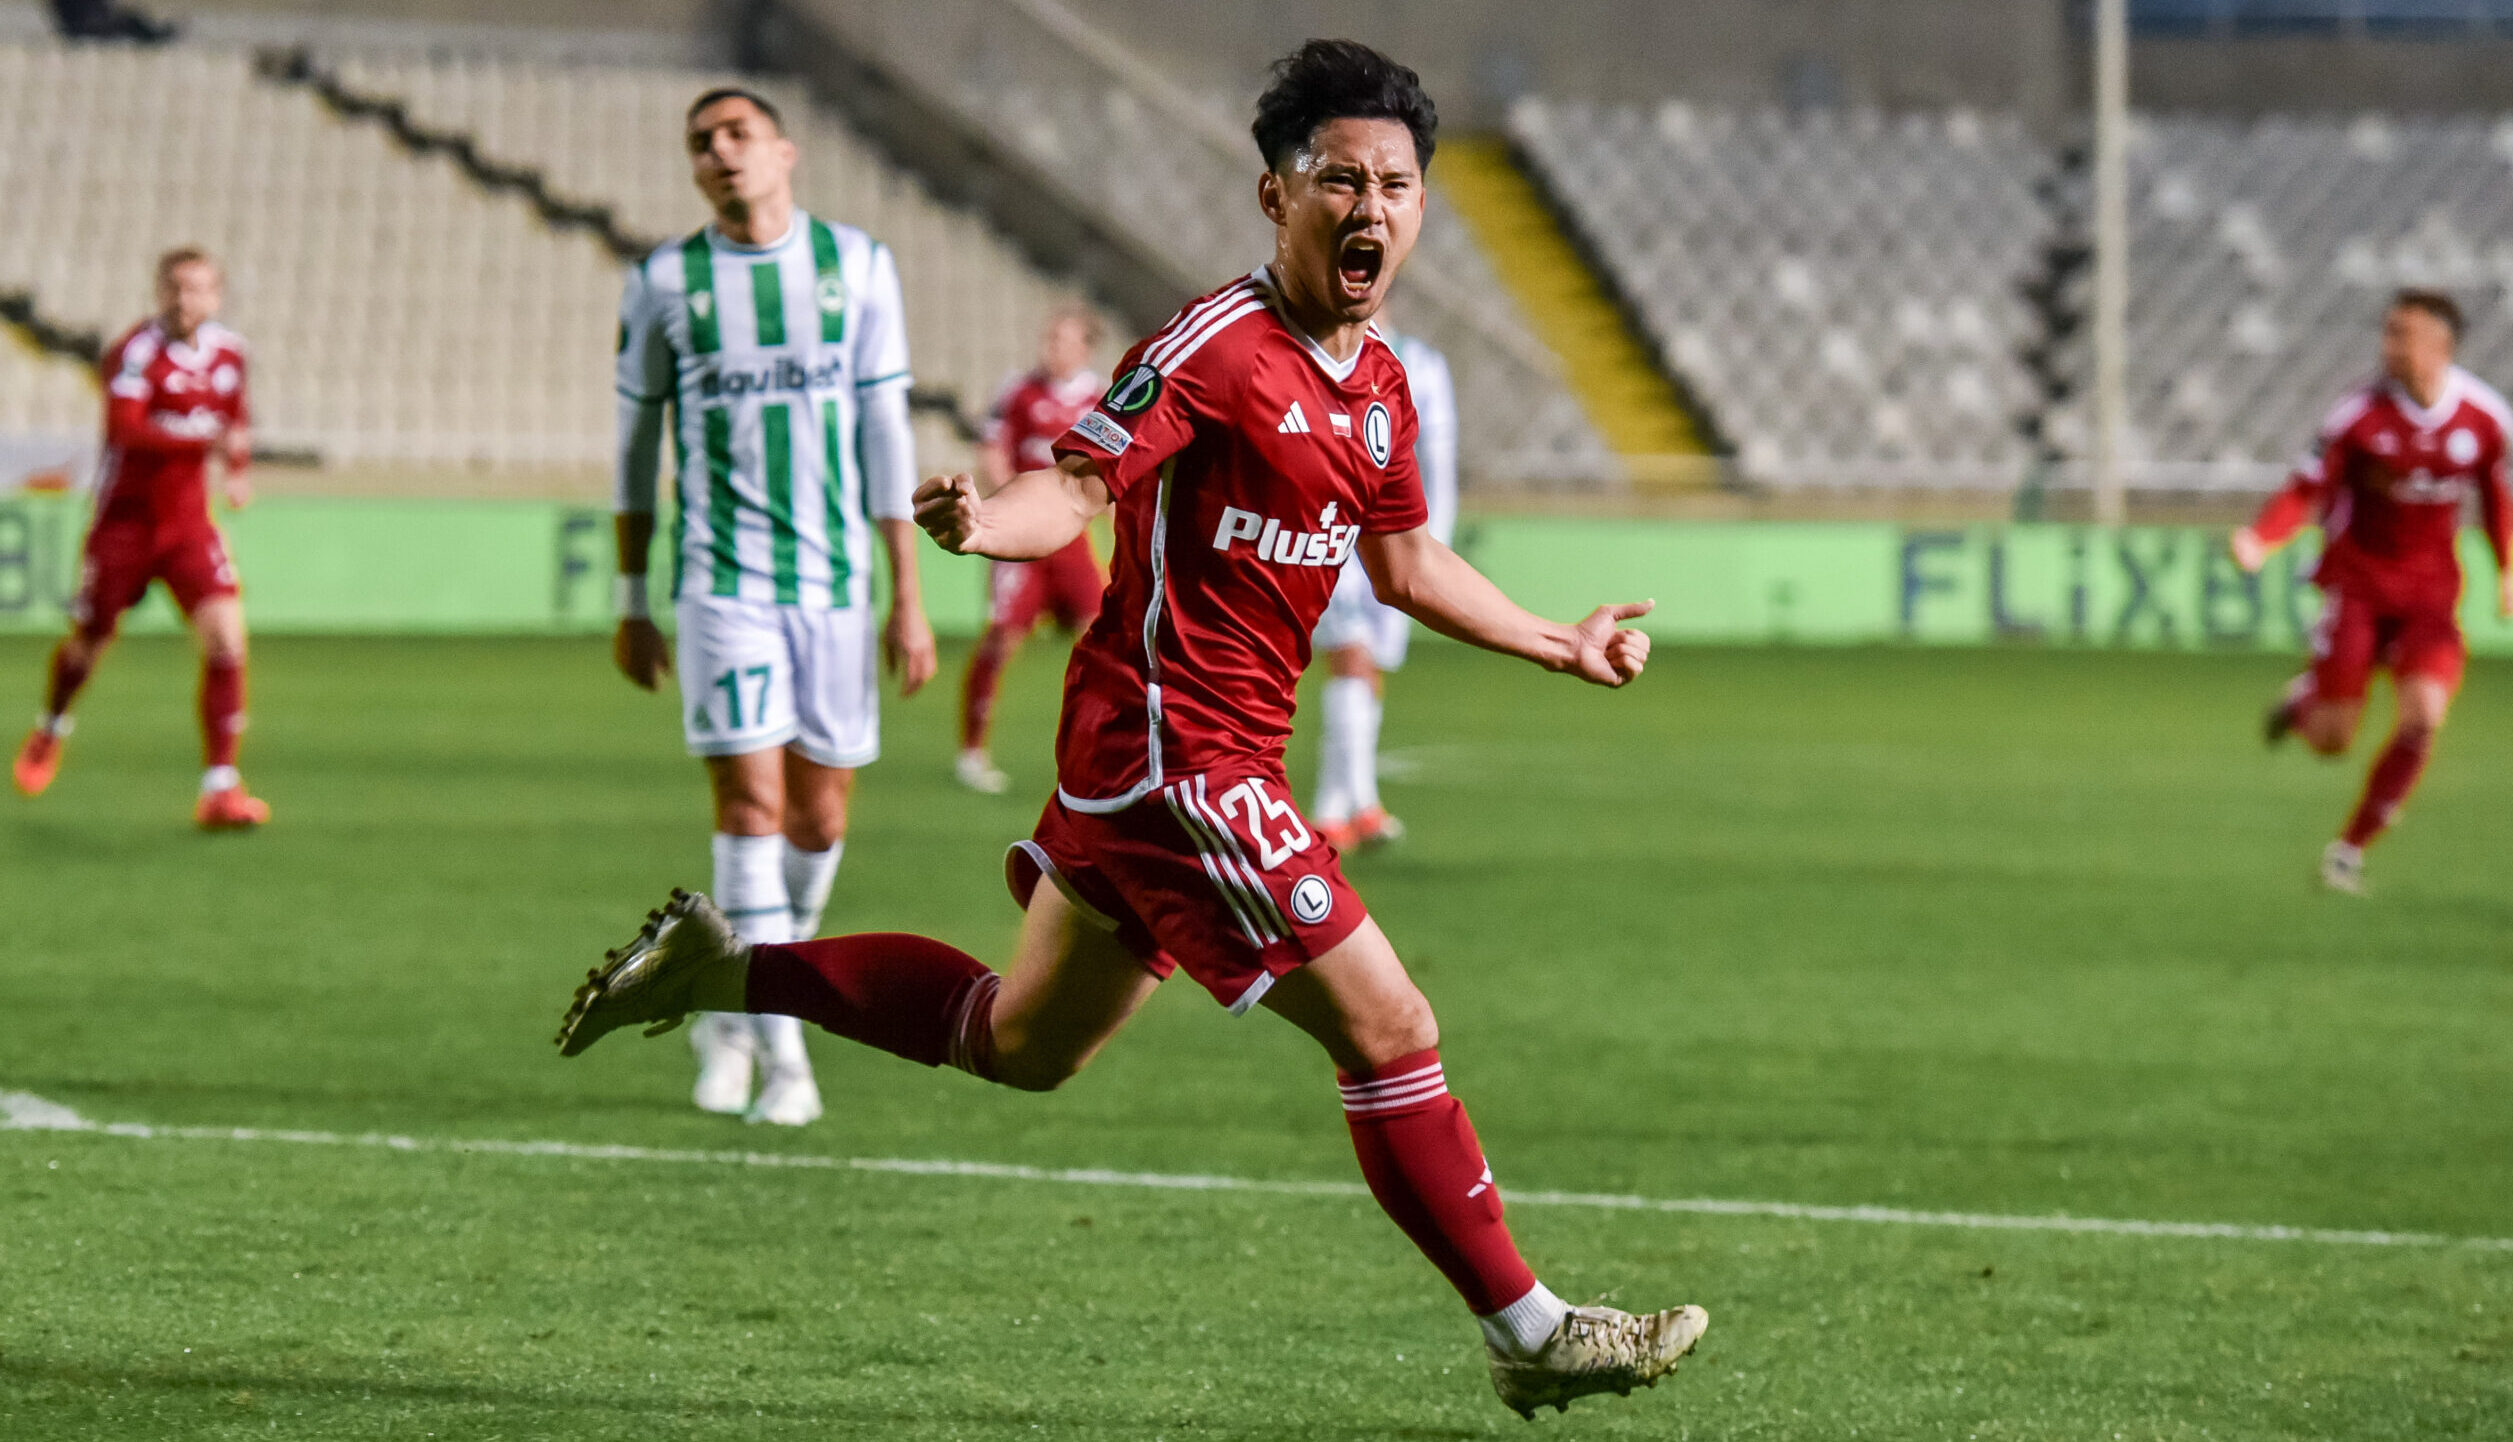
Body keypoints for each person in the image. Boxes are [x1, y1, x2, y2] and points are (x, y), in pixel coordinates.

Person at [560, 42, 1704, 1418]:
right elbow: (1083, 486)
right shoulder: (1217, 348)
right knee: (1392, 1027)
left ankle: (727, 974)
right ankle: (1528, 1328)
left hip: (1162, 762)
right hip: (1179, 754)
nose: (1373, 205)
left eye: (1398, 183)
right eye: (1340, 177)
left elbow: (1404, 569)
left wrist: (1554, 639)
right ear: (1274, 194)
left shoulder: (1382, 387)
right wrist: (988, 524)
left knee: (1018, 1040)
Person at [609, 88, 938, 1125]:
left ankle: (726, 1003)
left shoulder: (859, 267)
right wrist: (631, 593)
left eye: (736, 135)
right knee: (750, 808)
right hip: (721, 584)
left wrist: (908, 598)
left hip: (839, 587)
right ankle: (787, 1058)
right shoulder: (666, 279)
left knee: (820, 815)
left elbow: (887, 432)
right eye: (700, 142)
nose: (718, 152)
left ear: (785, 151)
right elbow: (635, 447)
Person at [2232, 288, 2513, 896]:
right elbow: (2306, 488)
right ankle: (2306, 697)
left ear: (2438, 346)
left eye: (2401, 334)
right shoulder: (2357, 416)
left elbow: (2495, 497)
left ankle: (2349, 852)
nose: (2388, 346)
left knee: (2423, 719)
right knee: (2334, 740)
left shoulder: (2483, 418)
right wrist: (2262, 538)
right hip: (2358, 587)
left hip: (2431, 599)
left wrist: (2507, 570)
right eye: (2387, 333)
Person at [15, 248, 264, 829]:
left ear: (216, 296)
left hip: (186, 527)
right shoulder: (134, 352)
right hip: (124, 527)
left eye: (198, 289)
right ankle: (52, 725)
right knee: (93, 639)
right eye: (175, 288)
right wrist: (206, 444)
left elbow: (236, 417)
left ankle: (220, 788)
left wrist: (240, 467)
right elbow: (127, 430)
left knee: (228, 641)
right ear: (159, 292)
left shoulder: (230, 353)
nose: (185, 300)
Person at [1309, 313, 1457, 848]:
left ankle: (1332, 809)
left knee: (1369, 670)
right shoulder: (1315, 357)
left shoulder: (1421, 365)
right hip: (1334, 537)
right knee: (1352, 655)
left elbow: (1437, 463)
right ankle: (1363, 804)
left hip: (1398, 538)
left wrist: (1430, 546)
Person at [954, 308, 1107, 795]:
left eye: (1063, 340)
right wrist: (1008, 501)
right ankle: (972, 752)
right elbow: (993, 447)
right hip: (1023, 539)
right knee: (1002, 641)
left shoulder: (1100, 397)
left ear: (1084, 348)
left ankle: (1096, 756)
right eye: (1050, 337)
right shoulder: (1019, 389)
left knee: (1102, 646)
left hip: (1072, 539)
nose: (1052, 348)